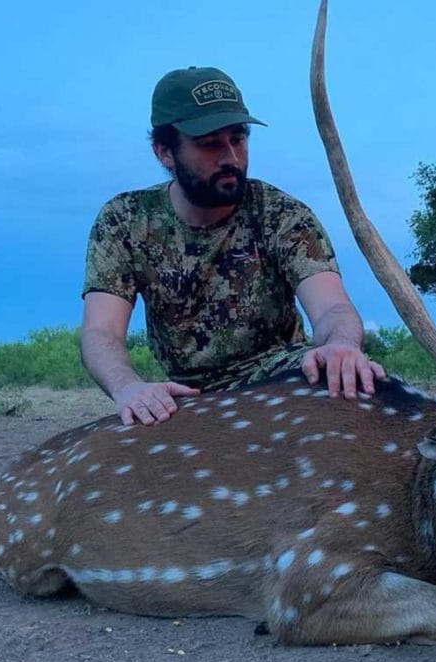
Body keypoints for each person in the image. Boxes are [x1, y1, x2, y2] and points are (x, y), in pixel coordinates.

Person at [80, 66, 385, 426]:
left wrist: (342, 345)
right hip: (185, 398)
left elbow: (332, 307)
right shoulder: (124, 220)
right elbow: (101, 331)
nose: (230, 158)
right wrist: (127, 387)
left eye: (238, 139)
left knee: (369, 390)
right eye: (209, 144)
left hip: (282, 381)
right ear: (164, 151)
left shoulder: (282, 214)